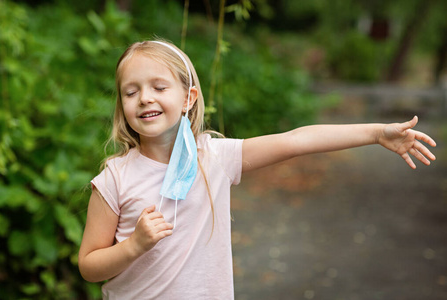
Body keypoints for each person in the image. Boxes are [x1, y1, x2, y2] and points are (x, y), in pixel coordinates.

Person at [78, 39, 437, 299]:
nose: (145, 98)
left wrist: (375, 133)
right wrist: (134, 245)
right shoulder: (115, 178)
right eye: (131, 91)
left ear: (188, 98)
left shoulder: (214, 158)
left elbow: (296, 140)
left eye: (159, 86)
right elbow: (89, 266)